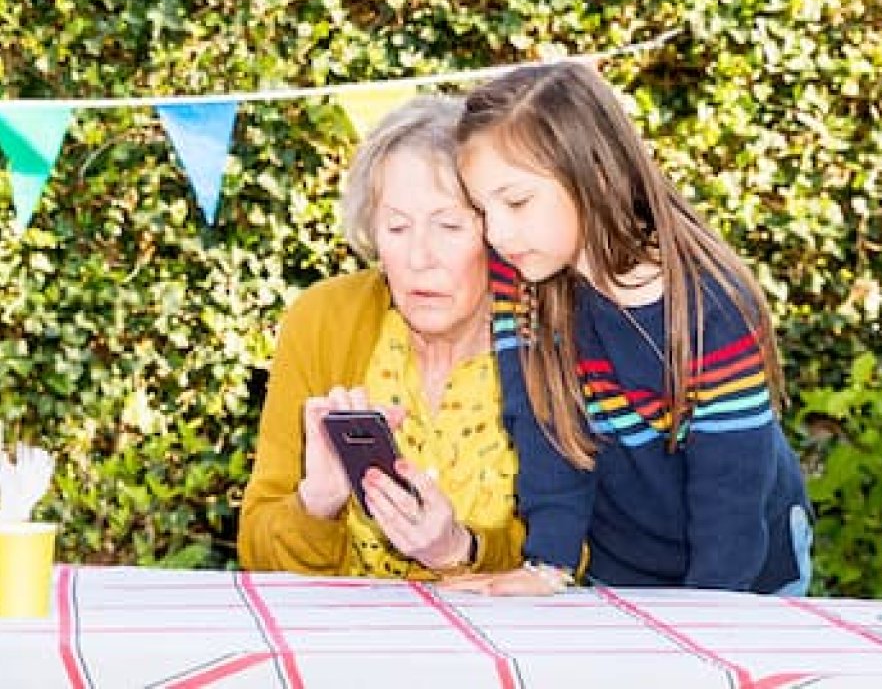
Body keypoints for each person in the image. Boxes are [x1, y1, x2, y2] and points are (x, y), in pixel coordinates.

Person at [448, 61, 813, 595]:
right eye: (482, 209)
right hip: (621, 574)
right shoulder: (521, 276)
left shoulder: (710, 307)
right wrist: (546, 565)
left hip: (743, 574)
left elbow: (731, 496)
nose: (497, 232)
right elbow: (542, 426)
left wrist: (707, 615)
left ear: (594, 174)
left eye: (518, 201)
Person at [238, 96, 524, 579]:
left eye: (449, 226)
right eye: (396, 227)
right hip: (346, 644)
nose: (419, 256)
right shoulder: (323, 321)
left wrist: (461, 550)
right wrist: (318, 501)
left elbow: (574, 552)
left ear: (494, 234)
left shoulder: (548, 334)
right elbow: (258, 549)